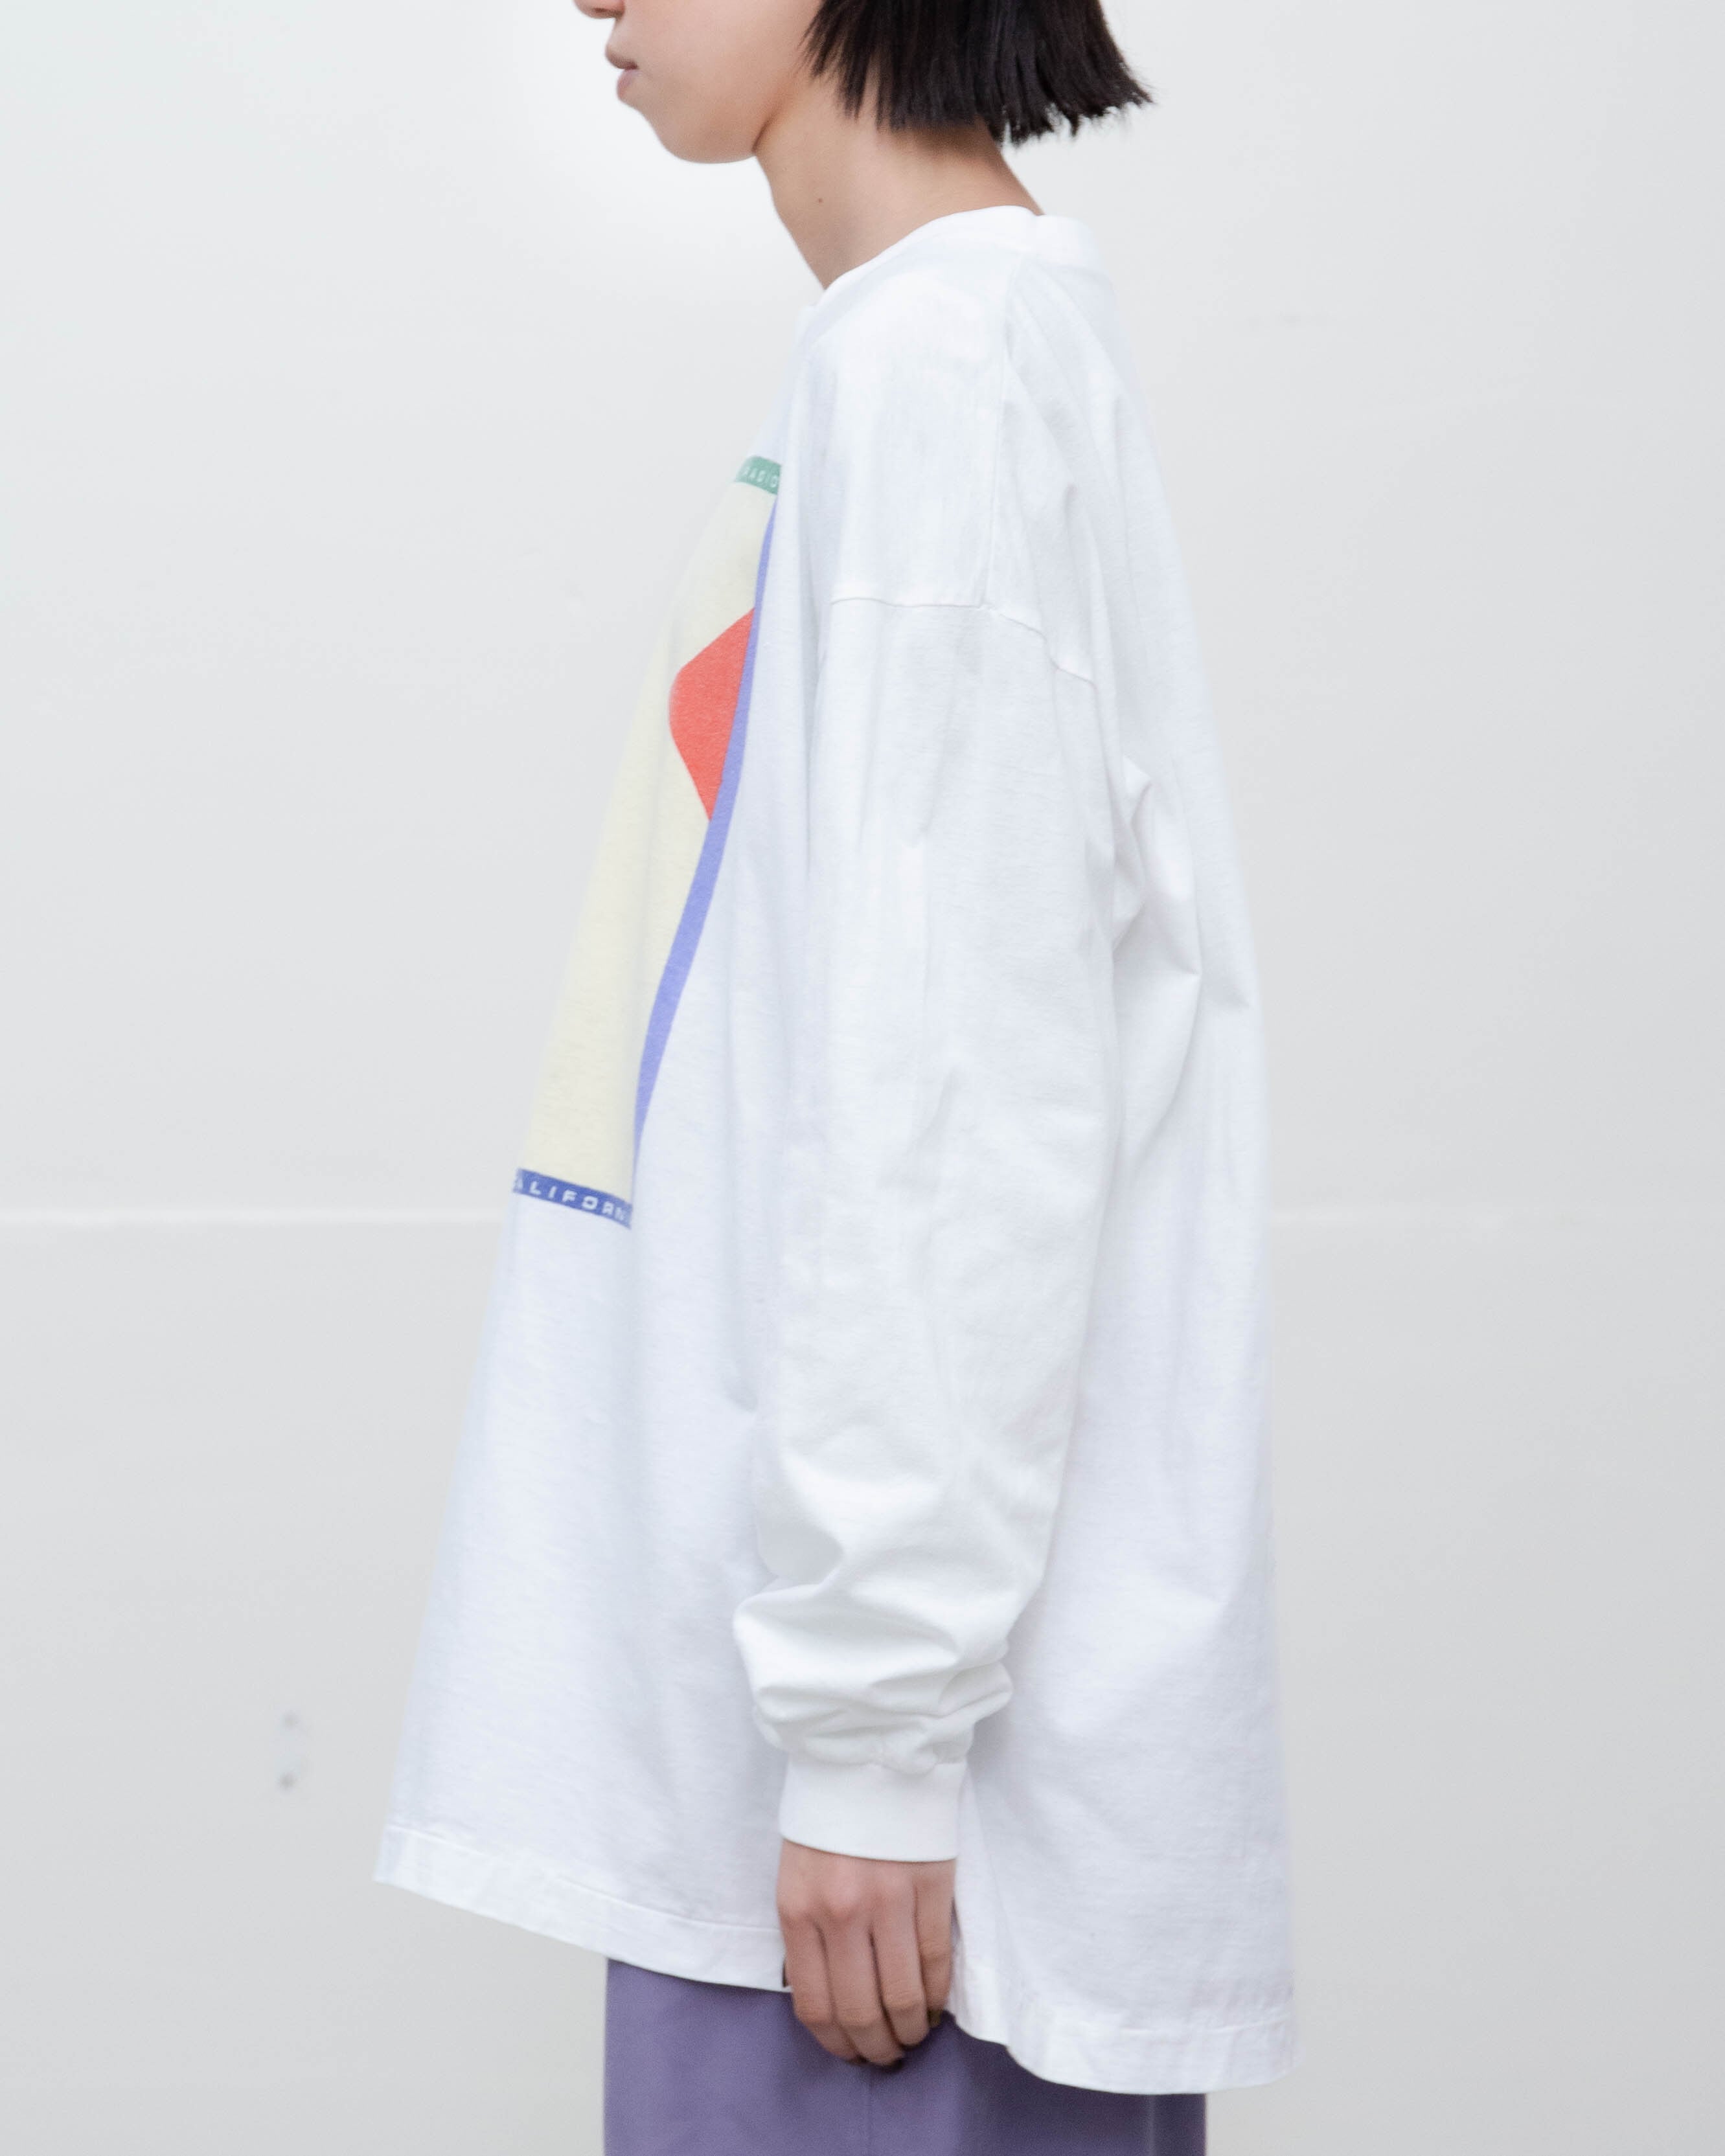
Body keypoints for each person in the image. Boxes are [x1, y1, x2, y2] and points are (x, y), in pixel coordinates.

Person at [378, 0, 1299, 2145]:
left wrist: (876, 1736)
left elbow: (956, 1097)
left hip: (886, 1854)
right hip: (824, 1774)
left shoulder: (940, 375)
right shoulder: (927, 356)